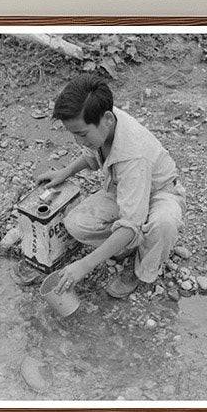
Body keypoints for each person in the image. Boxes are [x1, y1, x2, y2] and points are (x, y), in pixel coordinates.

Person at [35, 75, 186, 298]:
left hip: (160, 193)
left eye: (82, 134)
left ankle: (142, 270)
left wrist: (84, 266)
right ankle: (130, 245)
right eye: (74, 134)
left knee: (163, 224)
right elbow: (91, 155)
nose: (79, 141)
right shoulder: (104, 118)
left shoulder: (133, 154)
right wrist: (65, 172)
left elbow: (130, 225)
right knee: (76, 223)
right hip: (124, 189)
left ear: (106, 119)